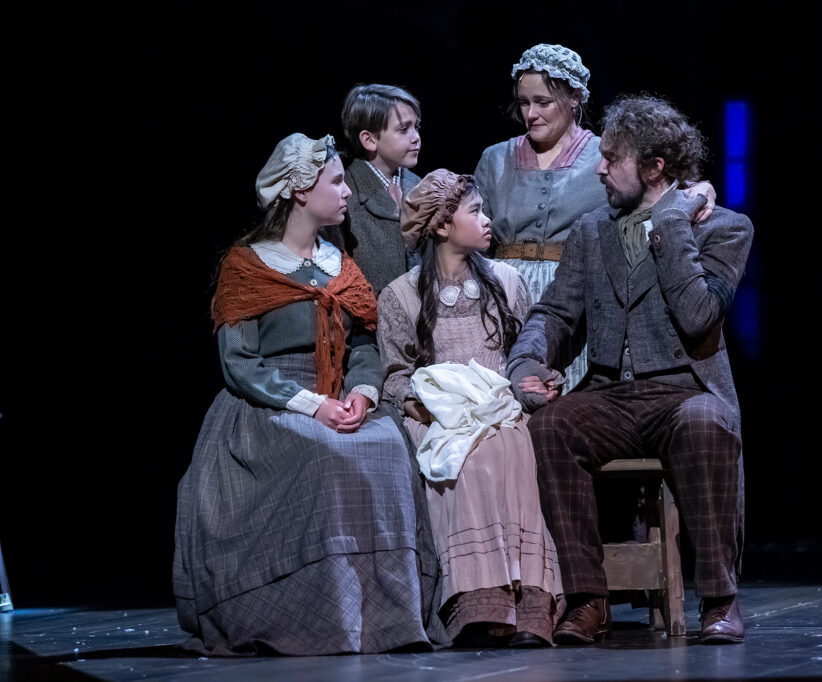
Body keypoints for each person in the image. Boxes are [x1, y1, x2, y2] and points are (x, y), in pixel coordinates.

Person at [507, 95, 753, 645]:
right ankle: (589, 600)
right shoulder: (593, 231)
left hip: (683, 390)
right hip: (612, 395)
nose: (598, 167)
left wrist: (668, 223)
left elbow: (697, 315)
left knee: (706, 423)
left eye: (611, 158)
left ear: (654, 166)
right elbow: (556, 313)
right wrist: (527, 360)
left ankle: (719, 598)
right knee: (553, 425)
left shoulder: (726, 229)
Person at [173, 133, 432, 655]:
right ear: (298, 191)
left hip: (341, 393)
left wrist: (361, 393)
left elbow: (362, 344)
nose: (347, 193)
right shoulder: (247, 267)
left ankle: (384, 618)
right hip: (269, 402)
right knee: (326, 454)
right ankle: (318, 615)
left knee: (385, 445)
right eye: (336, 182)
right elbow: (239, 363)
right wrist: (314, 405)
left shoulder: (341, 265)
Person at [377, 169, 564, 647]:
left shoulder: (507, 281)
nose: (488, 220)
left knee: (507, 448)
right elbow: (395, 375)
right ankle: (478, 604)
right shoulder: (400, 295)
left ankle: (528, 604)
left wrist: (537, 378)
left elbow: (523, 354)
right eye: (475, 211)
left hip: (498, 408)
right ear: (441, 225)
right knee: (464, 456)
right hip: (438, 416)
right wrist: (419, 406)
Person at [475, 43, 716, 392]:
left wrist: (703, 188)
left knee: (565, 395)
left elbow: (665, 185)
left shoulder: (606, 156)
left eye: (542, 102)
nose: (531, 113)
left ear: (575, 98)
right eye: (524, 103)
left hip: (576, 291)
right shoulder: (495, 159)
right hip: (503, 292)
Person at [320, 84, 423, 295]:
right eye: (404, 129)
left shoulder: (420, 186)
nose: (416, 137)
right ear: (369, 140)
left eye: (417, 127)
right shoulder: (346, 194)